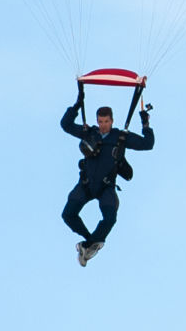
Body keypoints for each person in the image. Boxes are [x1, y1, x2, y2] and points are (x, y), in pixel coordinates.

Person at [59, 84, 155, 266]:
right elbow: (66, 125)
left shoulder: (120, 138)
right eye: (100, 122)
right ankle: (90, 243)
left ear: (111, 121)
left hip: (105, 187)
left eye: (106, 122)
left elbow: (148, 144)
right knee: (68, 214)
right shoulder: (90, 132)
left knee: (110, 218)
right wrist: (77, 105)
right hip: (86, 185)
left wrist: (145, 123)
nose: (103, 126)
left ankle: (89, 245)